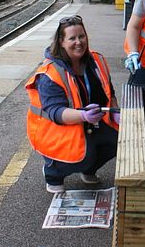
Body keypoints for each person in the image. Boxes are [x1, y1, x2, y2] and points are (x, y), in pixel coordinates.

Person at [25, 15, 120, 193]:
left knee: (119, 138)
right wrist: (83, 115)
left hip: (89, 122)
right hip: (55, 129)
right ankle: (53, 172)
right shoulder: (50, 73)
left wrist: (114, 111)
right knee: (85, 153)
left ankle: (89, 169)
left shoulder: (96, 61)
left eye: (81, 36)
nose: (79, 42)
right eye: (72, 38)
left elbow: (109, 91)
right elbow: (56, 112)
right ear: (61, 42)